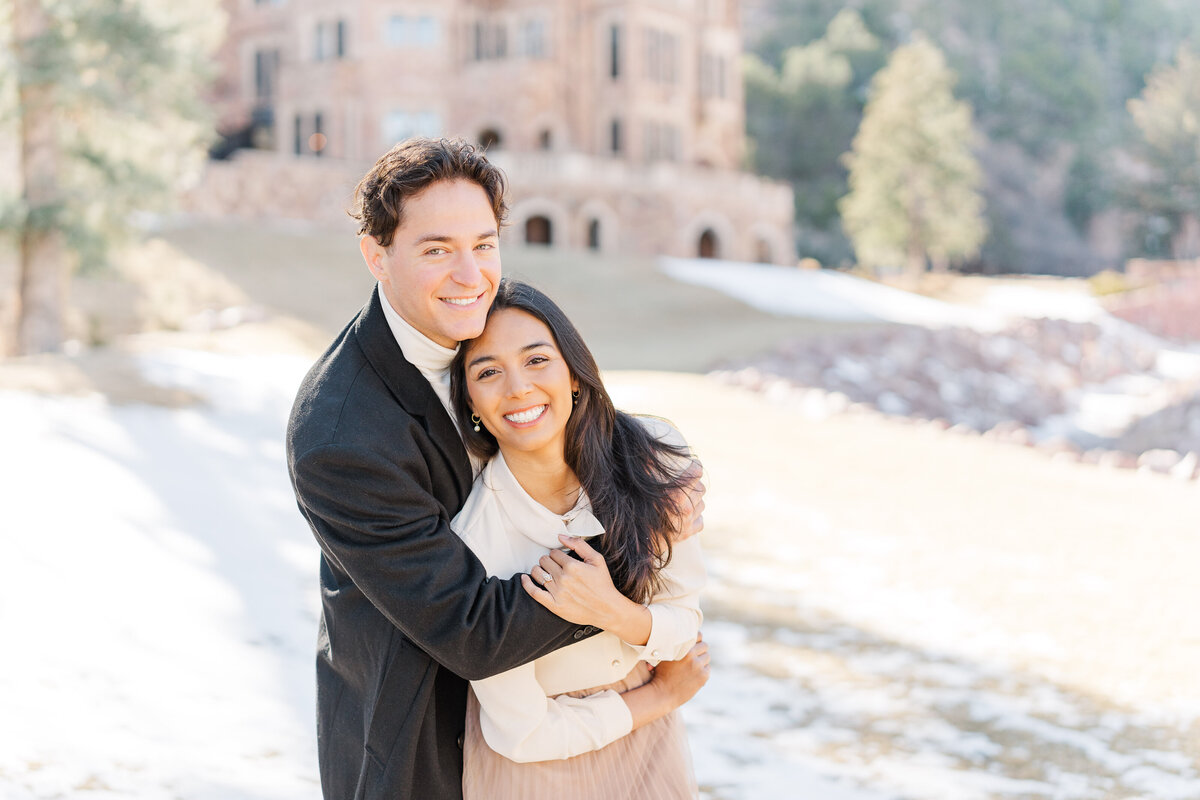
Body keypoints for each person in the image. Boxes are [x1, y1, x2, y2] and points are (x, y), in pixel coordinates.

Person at [285, 137, 705, 800]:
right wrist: (644, 520)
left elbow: (562, 403)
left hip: (565, 721)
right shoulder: (341, 437)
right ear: (377, 256)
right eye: (436, 249)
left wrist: (646, 468)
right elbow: (471, 630)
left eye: (483, 244)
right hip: (425, 743)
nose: (469, 273)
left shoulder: (485, 330)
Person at [447, 279, 709, 799]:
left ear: (573, 374)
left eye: (537, 360)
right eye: (488, 372)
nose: (518, 387)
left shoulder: (655, 460)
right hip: (537, 769)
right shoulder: (474, 538)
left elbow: (684, 633)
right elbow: (522, 734)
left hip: (650, 747)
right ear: (471, 402)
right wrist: (658, 698)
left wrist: (611, 610)